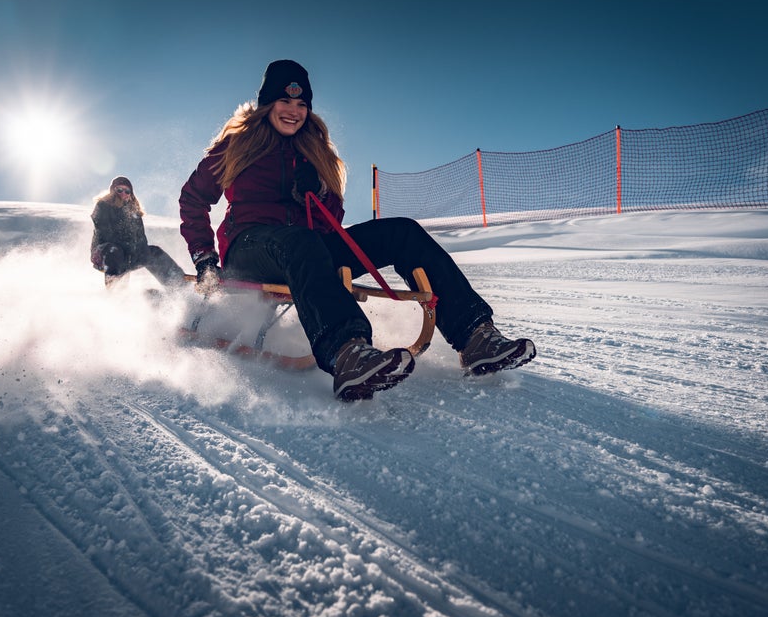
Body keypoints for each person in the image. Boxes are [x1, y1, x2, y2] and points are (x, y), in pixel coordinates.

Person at [178, 59, 535, 401]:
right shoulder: (236, 145)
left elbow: (333, 214)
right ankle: (347, 353)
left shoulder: (314, 151)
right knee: (300, 242)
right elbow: (193, 199)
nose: (293, 110)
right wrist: (205, 258)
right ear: (267, 104)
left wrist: (317, 189)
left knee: (403, 232)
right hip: (253, 246)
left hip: (309, 249)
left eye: (301, 103)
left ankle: (476, 337)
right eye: (284, 100)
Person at [90, 176, 185, 289]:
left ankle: (176, 283)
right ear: (113, 191)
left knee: (154, 252)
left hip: (129, 254)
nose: (123, 193)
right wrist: (129, 249)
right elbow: (106, 233)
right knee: (114, 251)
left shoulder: (133, 211)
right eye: (119, 190)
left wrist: (143, 253)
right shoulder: (103, 206)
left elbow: (140, 237)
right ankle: (116, 290)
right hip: (103, 254)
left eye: (127, 191)